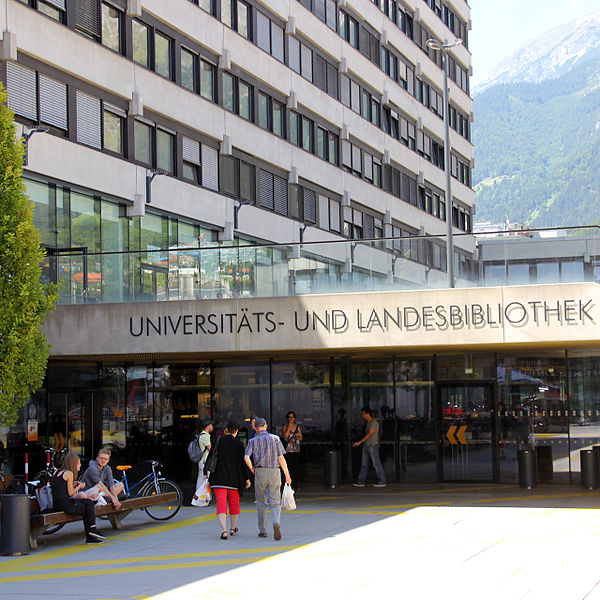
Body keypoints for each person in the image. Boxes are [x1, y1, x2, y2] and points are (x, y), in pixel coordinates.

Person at [244, 417, 291, 540]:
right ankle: (276, 522)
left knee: (261, 502)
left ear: (256, 428)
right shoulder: (275, 439)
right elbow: (281, 458)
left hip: (260, 471)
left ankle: (263, 530)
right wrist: (287, 475)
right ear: (266, 426)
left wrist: (252, 469)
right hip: (274, 471)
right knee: (275, 500)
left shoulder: (252, 441)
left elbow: (246, 457)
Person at [204, 420, 251, 539]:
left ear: (226, 430)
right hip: (233, 480)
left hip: (218, 479)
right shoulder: (239, 444)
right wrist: (247, 478)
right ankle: (232, 528)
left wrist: (206, 472)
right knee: (234, 504)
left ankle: (224, 531)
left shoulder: (218, 441)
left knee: (221, 505)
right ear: (236, 431)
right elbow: (242, 464)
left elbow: (210, 458)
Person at [50, 453, 106, 544]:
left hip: (58, 503)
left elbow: (61, 488)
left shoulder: (57, 472)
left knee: (87, 504)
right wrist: (80, 486)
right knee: (88, 506)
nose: (80, 465)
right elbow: (71, 493)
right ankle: (92, 530)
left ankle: (91, 532)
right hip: (66, 505)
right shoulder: (69, 473)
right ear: (73, 463)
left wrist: (73, 484)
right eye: (78, 463)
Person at [352, 406, 386, 488]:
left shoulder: (374, 422)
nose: (362, 415)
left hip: (372, 445)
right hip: (366, 445)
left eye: (363, 414)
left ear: (368, 414)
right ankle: (360, 481)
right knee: (364, 464)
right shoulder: (368, 423)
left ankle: (382, 481)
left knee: (376, 463)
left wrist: (360, 442)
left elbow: (370, 434)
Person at [281, 411, 303, 490]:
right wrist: (290, 426)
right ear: (287, 418)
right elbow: (286, 436)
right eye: (289, 417)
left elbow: (301, 437)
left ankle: (295, 485)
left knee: (295, 468)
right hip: (288, 449)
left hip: (296, 449)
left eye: (292, 417)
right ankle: (288, 484)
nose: (291, 418)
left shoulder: (298, 427)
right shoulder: (285, 426)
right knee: (288, 467)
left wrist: (297, 438)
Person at [195, 420, 214, 491]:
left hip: (202, 461)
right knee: (203, 481)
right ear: (207, 426)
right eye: (211, 425)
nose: (212, 427)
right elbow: (210, 449)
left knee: (201, 481)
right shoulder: (205, 436)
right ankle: (200, 498)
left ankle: (200, 498)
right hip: (204, 462)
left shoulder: (202, 435)